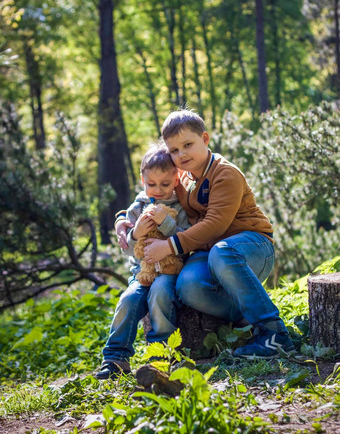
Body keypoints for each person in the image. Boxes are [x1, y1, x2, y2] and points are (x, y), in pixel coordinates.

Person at [117, 109, 295, 360]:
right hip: (209, 251)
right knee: (187, 286)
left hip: (251, 246)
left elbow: (215, 225)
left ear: (205, 139)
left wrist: (169, 246)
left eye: (188, 144)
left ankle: (274, 332)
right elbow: (152, 194)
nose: (182, 154)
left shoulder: (225, 173)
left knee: (222, 252)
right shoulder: (184, 179)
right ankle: (245, 316)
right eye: (175, 150)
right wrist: (123, 219)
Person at [96, 143, 190, 380]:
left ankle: (160, 356)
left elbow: (188, 240)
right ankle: (115, 357)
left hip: (170, 273)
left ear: (177, 179)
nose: (157, 190)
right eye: (151, 184)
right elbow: (128, 251)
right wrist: (135, 233)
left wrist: (166, 224)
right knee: (128, 300)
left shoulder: (182, 205)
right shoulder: (138, 207)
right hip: (142, 273)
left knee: (160, 294)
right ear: (142, 180)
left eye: (165, 184)